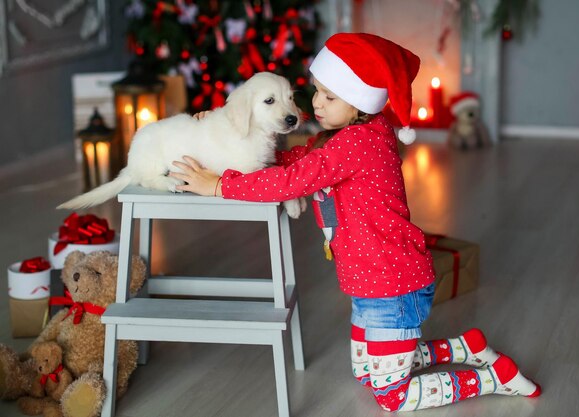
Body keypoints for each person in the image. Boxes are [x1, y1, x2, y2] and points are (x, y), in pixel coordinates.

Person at [169, 33, 540, 412]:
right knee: (366, 373)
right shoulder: (345, 137)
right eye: (315, 92)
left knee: (391, 396)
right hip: (371, 283)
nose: (316, 104)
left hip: (392, 286)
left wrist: (218, 185)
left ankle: (495, 378)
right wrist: (220, 132)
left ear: (361, 102)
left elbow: (290, 181)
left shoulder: (357, 144)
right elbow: (294, 161)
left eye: (330, 97)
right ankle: (463, 347)